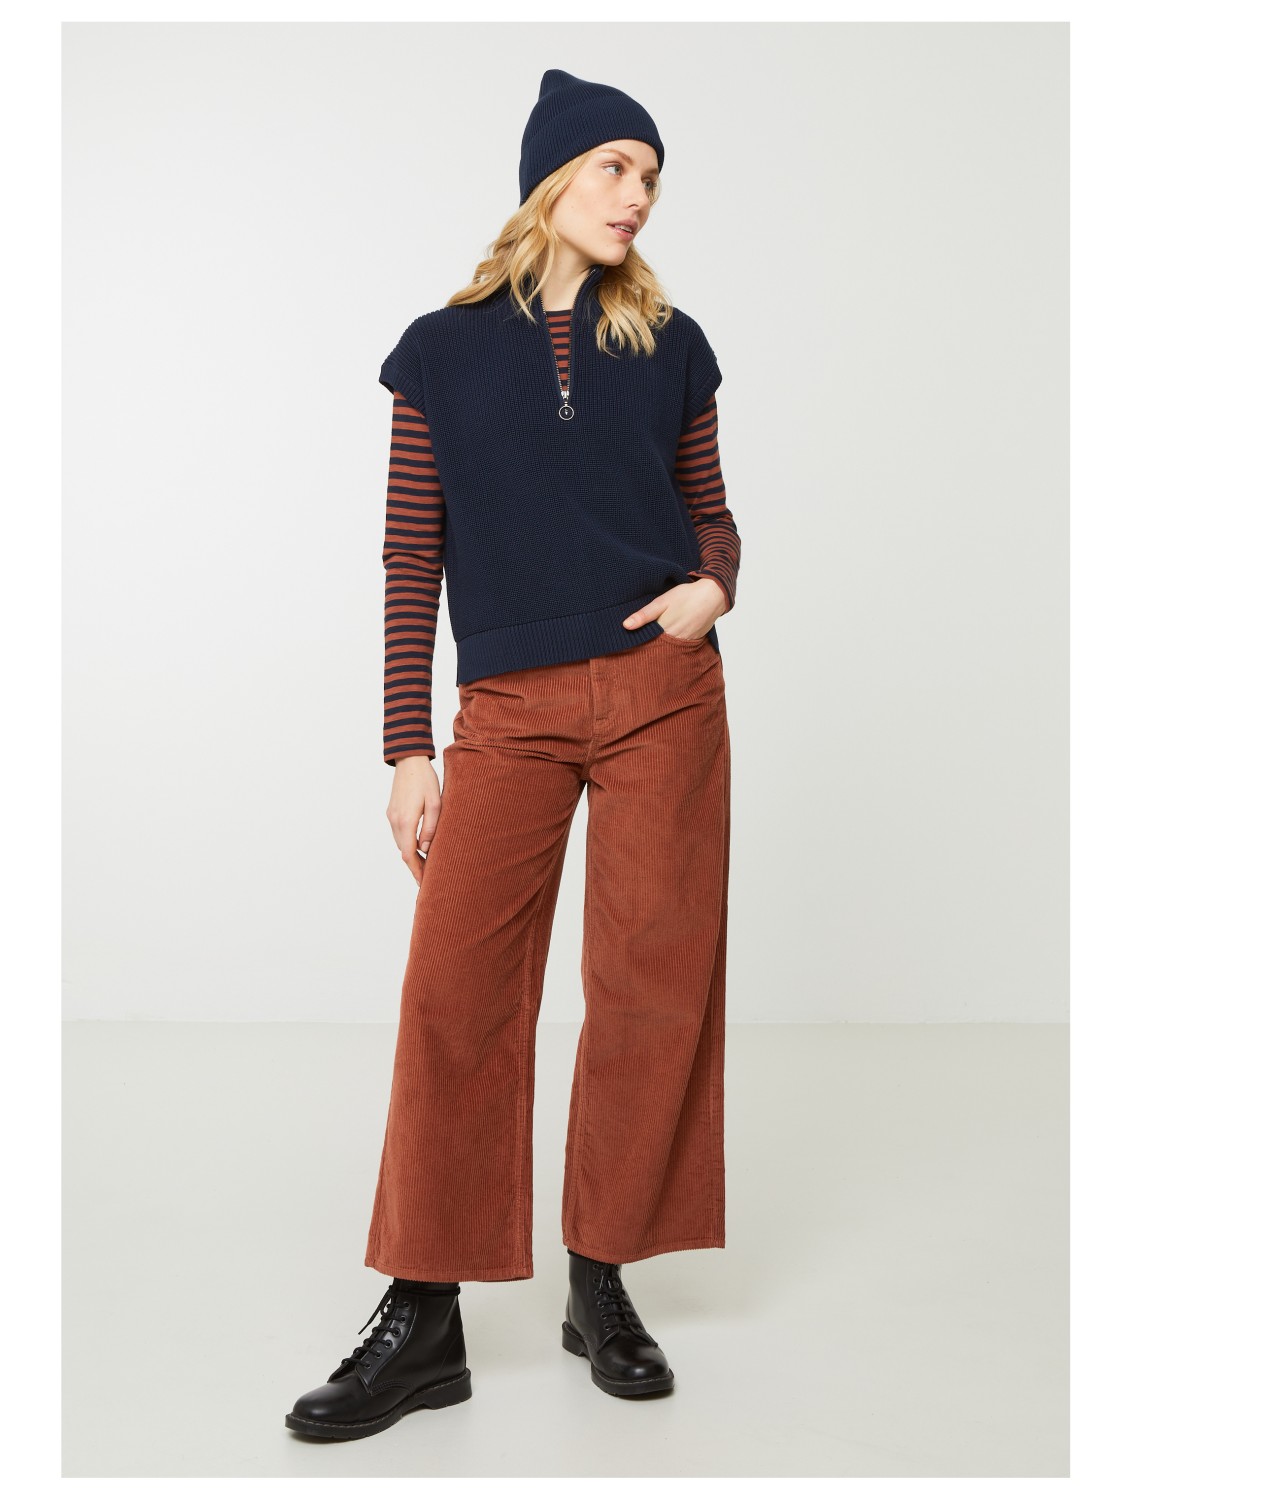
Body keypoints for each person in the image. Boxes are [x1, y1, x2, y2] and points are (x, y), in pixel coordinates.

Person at [287, 68, 740, 1441]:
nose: (638, 195)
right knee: (456, 995)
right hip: (509, 711)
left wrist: (713, 589)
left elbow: (713, 516)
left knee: (650, 987)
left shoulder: (671, 344)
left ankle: (600, 1277)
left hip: (663, 693)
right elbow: (409, 554)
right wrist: (407, 746)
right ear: (552, 180)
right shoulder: (438, 352)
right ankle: (423, 1312)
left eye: (651, 177)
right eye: (616, 167)